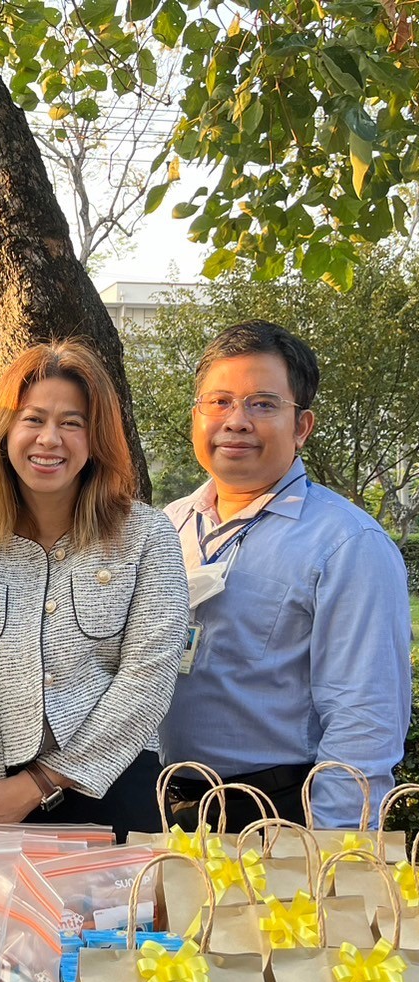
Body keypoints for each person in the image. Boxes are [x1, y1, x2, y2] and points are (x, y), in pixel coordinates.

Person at [159, 320, 410, 832]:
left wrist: (333, 849)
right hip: (160, 802)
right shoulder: (164, 528)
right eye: (220, 402)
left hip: (277, 814)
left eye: (263, 404)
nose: (237, 421)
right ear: (196, 417)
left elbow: (365, 716)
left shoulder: (347, 545)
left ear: (302, 427)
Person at [0, 341, 188, 839]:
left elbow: (149, 677)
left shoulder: (145, 535)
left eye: (72, 423)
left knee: (119, 919)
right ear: (4, 431)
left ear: (95, 438)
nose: (49, 439)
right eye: (33, 419)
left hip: (110, 786)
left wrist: (39, 783)